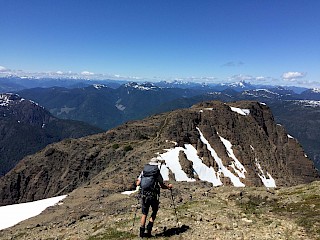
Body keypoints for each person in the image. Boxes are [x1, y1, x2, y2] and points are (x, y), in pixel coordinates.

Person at [136, 158, 173, 238]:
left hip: (144, 195)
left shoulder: (144, 171)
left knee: (144, 213)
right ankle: (148, 230)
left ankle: (142, 234)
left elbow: (138, 183)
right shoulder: (156, 172)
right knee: (154, 211)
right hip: (153, 195)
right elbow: (162, 185)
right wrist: (168, 187)